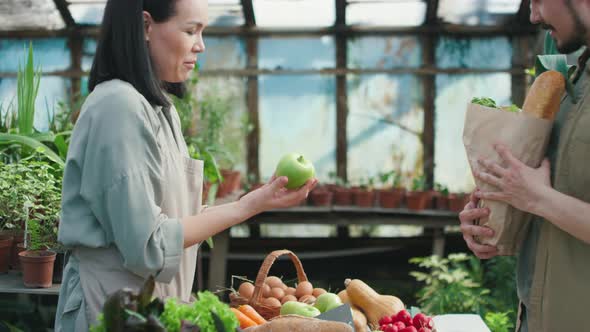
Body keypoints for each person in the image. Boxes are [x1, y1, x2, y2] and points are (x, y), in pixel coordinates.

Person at [53, 0, 317, 330]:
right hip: (110, 310)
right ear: (146, 26)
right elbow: (148, 245)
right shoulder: (118, 107)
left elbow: (173, 222)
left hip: (148, 311)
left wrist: (256, 201)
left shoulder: (161, 111)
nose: (200, 45)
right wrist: (245, 207)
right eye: (191, 30)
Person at [459, 0, 590, 331]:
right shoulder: (573, 80)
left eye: (538, 0)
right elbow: (555, 195)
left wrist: (536, 198)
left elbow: (542, 197)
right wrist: (497, 217)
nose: (533, 15)